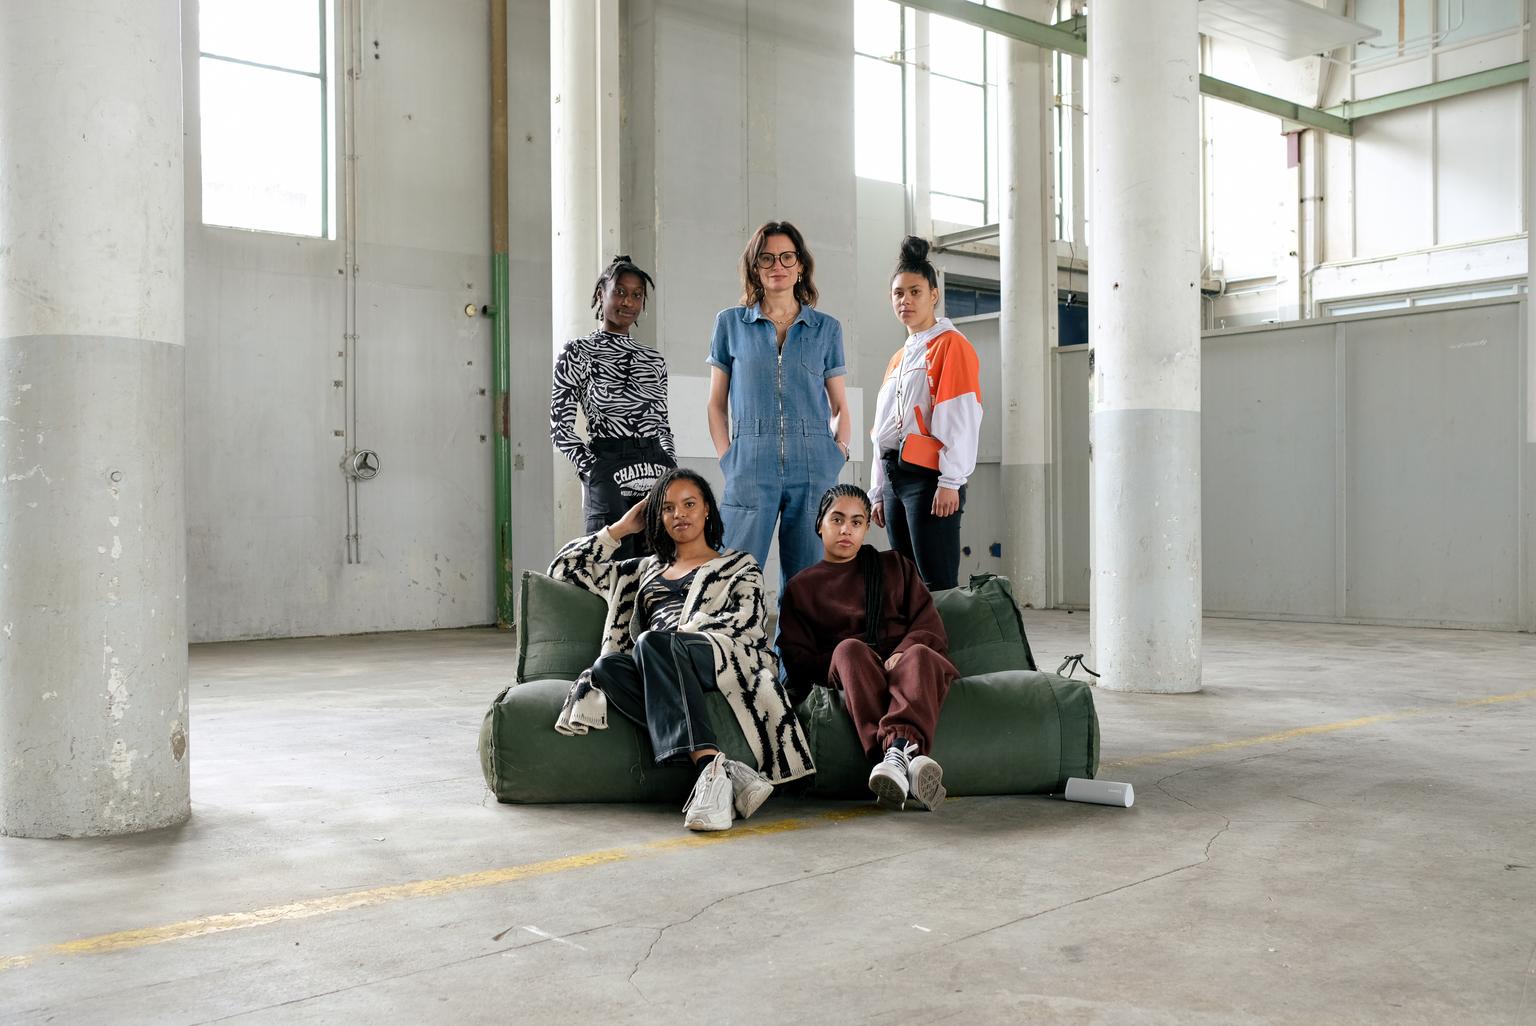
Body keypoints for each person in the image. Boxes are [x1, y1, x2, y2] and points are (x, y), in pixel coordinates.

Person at [548, 468, 814, 832]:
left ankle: (710, 774)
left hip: (721, 656)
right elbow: (564, 568)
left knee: (654, 642)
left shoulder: (738, 565)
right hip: (658, 662)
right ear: (656, 517)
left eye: (689, 504)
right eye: (668, 508)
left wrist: (681, 635)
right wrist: (622, 528)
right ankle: (718, 768)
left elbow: (748, 623)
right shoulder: (641, 571)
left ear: (707, 509)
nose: (679, 514)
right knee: (607, 668)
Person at [777, 484, 958, 810]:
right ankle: (904, 753)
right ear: (820, 524)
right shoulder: (801, 587)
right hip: (853, 669)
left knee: (920, 653)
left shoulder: (895, 566)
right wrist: (853, 662)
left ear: (866, 528)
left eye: (857, 522)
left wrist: (901, 651)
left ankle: (895, 759)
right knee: (849, 649)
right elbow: (797, 658)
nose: (846, 530)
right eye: (837, 519)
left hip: (905, 666)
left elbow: (928, 624)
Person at [707, 221, 852, 590]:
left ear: (800, 264)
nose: (778, 265)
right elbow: (716, 404)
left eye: (787, 257)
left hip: (815, 464)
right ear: (755, 266)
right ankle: (735, 632)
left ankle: (798, 635)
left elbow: (839, 405)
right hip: (749, 461)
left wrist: (837, 452)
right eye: (767, 258)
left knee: (809, 582)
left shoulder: (827, 329)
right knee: (733, 575)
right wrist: (728, 458)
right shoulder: (730, 324)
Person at [869, 236, 983, 591]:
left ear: (934, 295)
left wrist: (951, 481)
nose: (905, 300)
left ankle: (943, 634)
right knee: (905, 584)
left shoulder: (951, 345)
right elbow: (882, 431)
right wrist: (877, 490)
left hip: (929, 478)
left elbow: (961, 415)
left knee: (938, 585)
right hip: (894, 477)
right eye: (898, 293)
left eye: (915, 292)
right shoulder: (899, 358)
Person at [551, 255, 677, 560]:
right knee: (608, 563)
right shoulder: (577, 352)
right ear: (601, 294)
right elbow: (560, 428)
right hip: (608, 464)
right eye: (620, 292)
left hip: (657, 468)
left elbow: (661, 423)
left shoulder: (653, 359)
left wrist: (672, 468)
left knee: (659, 565)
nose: (628, 302)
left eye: (636, 295)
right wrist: (593, 470)